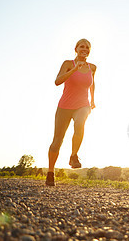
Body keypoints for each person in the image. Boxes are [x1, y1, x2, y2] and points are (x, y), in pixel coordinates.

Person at [46, 39, 96, 186]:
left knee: (80, 122)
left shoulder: (92, 67)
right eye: (82, 46)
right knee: (57, 142)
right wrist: (74, 70)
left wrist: (92, 100)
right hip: (65, 106)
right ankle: (50, 172)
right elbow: (57, 81)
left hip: (83, 105)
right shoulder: (68, 64)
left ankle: (74, 156)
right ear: (76, 49)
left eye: (87, 47)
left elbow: (92, 84)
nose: (84, 49)